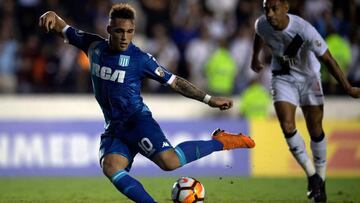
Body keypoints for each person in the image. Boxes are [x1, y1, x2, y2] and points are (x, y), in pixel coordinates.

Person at [38, 3, 255, 203]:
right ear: (109, 30)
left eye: (130, 32)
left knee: (169, 163)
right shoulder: (93, 46)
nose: (125, 37)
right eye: (119, 31)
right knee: (111, 166)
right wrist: (50, 14)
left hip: (137, 121)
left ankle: (222, 141)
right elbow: (62, 27)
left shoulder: (140, 59)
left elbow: (175, 82)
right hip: (114, 126)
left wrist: (208, 99)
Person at [251, 0, 360, 203]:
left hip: (310, 79)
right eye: (266, 9)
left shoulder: (304, 30)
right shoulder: (262, 24)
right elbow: (259, 34)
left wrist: (347, 88)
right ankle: (312, 177)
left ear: (285, 7)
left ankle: (321, 180)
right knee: (287, 124)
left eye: (274, 9)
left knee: (315, 130)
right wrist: (254, 56)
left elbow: (328, 59)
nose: (270, 14)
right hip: (282, 78)